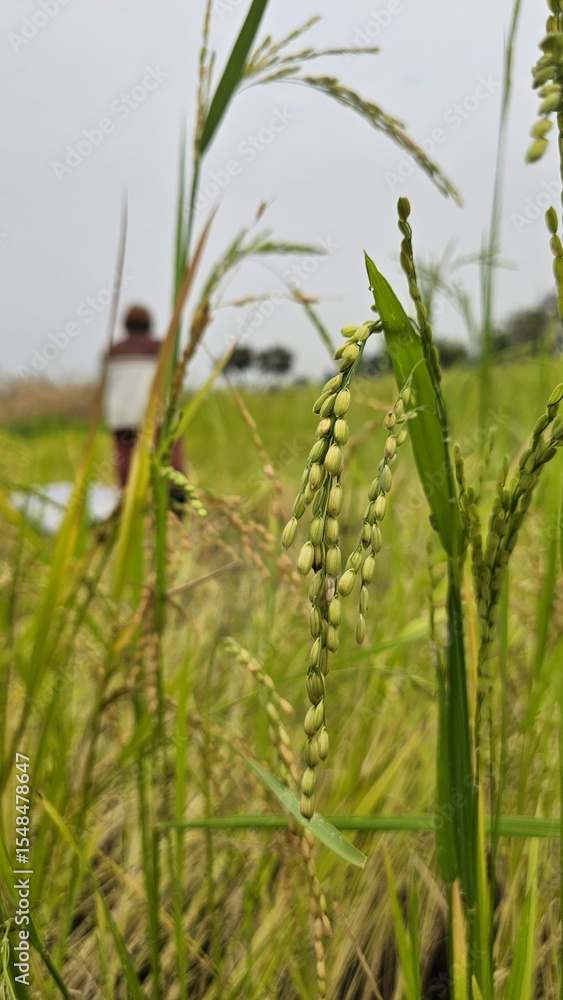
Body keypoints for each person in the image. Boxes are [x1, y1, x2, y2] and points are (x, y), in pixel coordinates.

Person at [103, 305, 186, 498]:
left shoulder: (113, 351)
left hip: (123, 418)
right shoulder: (161, 348)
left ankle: (128, 503)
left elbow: (105, 386)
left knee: (126, 465)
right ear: (149, 324)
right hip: (157, 417)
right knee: (169, 460)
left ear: (126, 325)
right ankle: (175, 503)